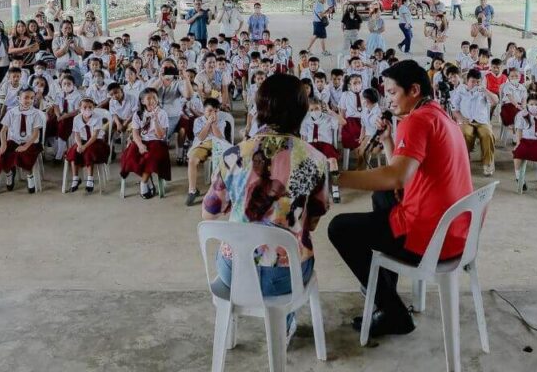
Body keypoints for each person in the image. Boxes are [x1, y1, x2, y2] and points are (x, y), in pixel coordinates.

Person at [328, 60, 473, 339]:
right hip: (455, 231)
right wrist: (386, 141)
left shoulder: (416, 121)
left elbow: (397, 176)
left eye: (393, 93)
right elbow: (406, 171)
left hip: (431, 237)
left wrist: (336, 178)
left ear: (414, 90)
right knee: (382, 194)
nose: (389, 100)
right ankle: (385, 288)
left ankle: (393, 311)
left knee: (339, 228)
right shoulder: (438, 114)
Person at [202, 74, 329, 343]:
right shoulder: (316, 160)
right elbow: (314, 222)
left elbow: (209, 213)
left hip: (234, 271)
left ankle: (231, 322)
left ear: (260, 109)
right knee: (297, 250)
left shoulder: (233, 154)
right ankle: (283, 324)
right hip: (286, 275)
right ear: (302, 111)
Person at [119, 87, 170, 199]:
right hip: (141, 141)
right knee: (130, 157)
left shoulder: (162, 113)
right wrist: (140, 145)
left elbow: (161, 135)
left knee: (149, 158)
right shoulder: (138, 114)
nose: (152, 100)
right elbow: (135, 133)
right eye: (149, 98)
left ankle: (144, 183)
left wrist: (155, 119)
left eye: (154, 98)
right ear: (142, 101)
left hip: (157, 142)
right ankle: (148, 178)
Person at [0, 87, 46, 194]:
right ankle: (9, 173)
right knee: (1, 154)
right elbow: (3, 131)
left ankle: (29, 175)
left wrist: (25, 146)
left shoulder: (36, 113)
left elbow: (36, 133)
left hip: (30, 142)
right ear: (19, 98)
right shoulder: (11, 112)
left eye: (32, 98)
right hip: (14, 141)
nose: (29, 100)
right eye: (26, 97)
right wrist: (3, 144)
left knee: (25, 154)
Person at [450, 69, 498, 176]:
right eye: (472, 81)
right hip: (466, 120)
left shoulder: (483, 91)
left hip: (482, 121)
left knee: (488, 135)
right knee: (465, 134)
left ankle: (487, 162)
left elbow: (495, 101)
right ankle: (464, 160)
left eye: (477, 81)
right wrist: (461, 118)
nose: (475, 84)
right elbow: (454, 109)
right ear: (467, 81)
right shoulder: (460, 90)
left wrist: (485, 91)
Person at [185, 97, 230, 207]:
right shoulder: (198, 121)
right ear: (204, 110)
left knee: (222, 161)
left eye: (215, 111)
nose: (213, 113)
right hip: (202, 144)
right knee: (192, 160)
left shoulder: (221, 121)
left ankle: (221, 190)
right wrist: (208, 123)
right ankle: (192, 190)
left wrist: (213, 124)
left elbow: (219, 136)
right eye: (210, 110)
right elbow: (201, 137)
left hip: (218, 144)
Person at [66, 98, 110, 194]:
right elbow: (76, 134)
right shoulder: (76, 118)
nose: (87, 109)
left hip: (96, 141)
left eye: (90, 107)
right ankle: (75, 178)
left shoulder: (97, 117)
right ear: (80, 108)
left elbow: (94, 135)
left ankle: (90, 179)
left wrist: (84, 146)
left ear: (93, 107)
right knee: (73, 151)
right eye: (84, 107)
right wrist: (79, 145)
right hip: (82, 141)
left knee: (89, 152)